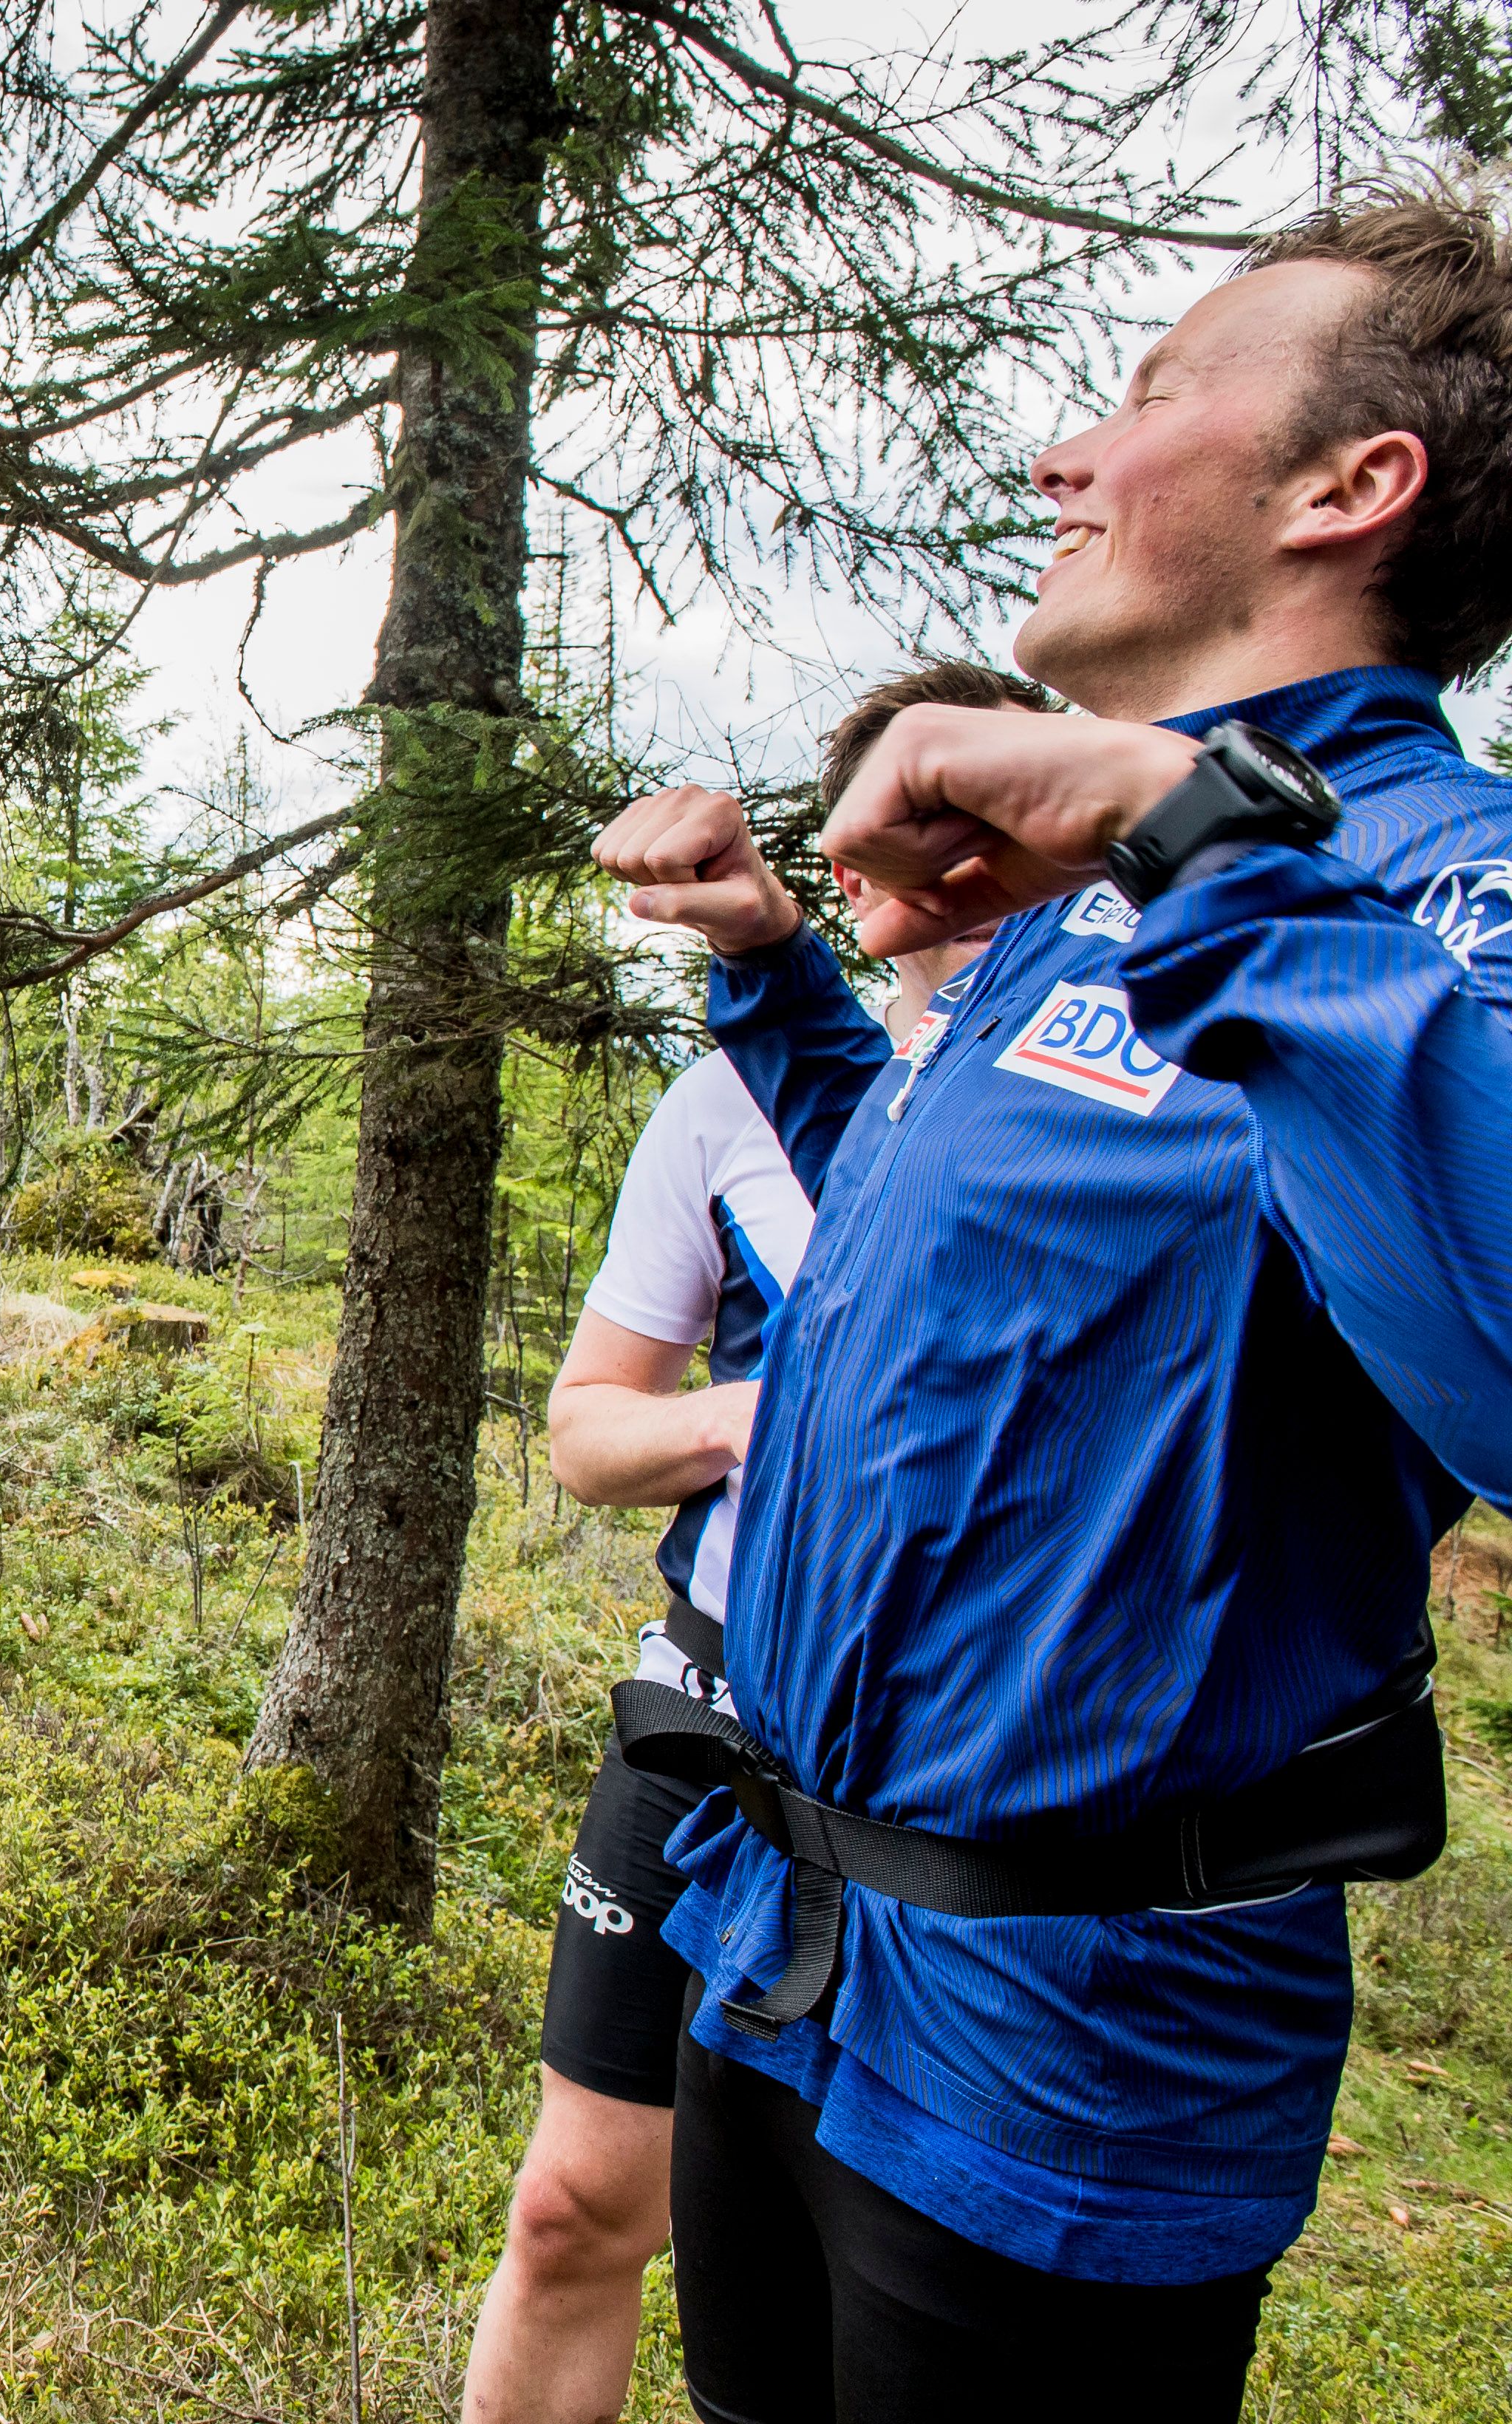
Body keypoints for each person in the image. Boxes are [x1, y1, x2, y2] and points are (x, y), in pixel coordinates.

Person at [588, 171, 1512, 2420]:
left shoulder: (1439, 890)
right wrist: (777, 970)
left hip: (1073, 2046)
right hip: (786, 1946)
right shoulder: (1093, 898)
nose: (1062, 457)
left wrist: (1190, 830)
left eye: (1152, 395)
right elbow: (940, 1265)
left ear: (1349, 488)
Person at [463, 664, 1034, 2424]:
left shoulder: (1094, 1099)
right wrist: (758, 1420)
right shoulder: (725, 1102)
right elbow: (584, 1429)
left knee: (865, 2260)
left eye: (983, 811)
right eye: (903, 819)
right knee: (577, 2205)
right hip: (714, 1708)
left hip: (958, 1760)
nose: (947, 857)